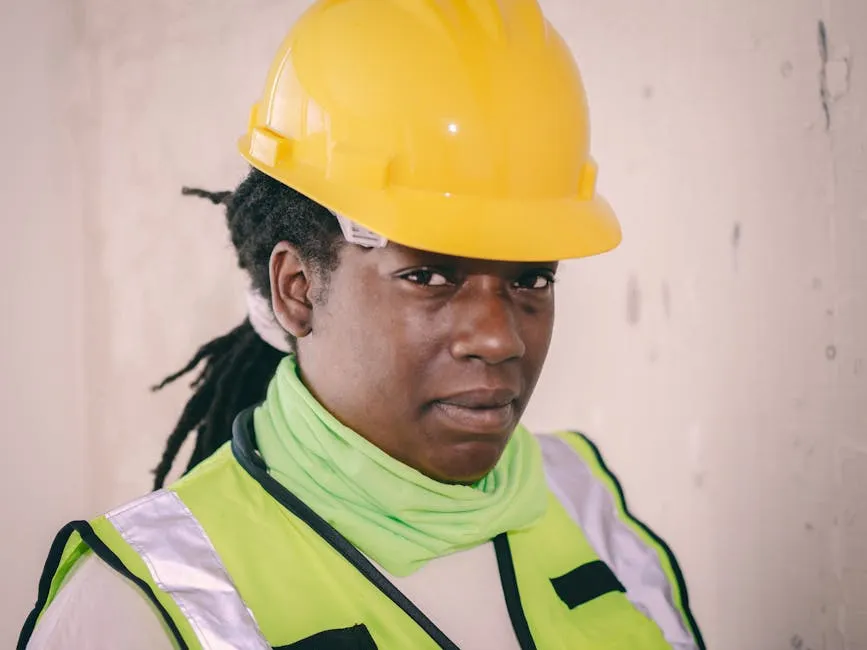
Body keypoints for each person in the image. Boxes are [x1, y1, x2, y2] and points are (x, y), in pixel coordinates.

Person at [19, 1, 705, 649]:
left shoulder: (584, 501)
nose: (499, 338)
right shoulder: (145, 601)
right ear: (297, 290)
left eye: (532, 279)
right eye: (428, 276)